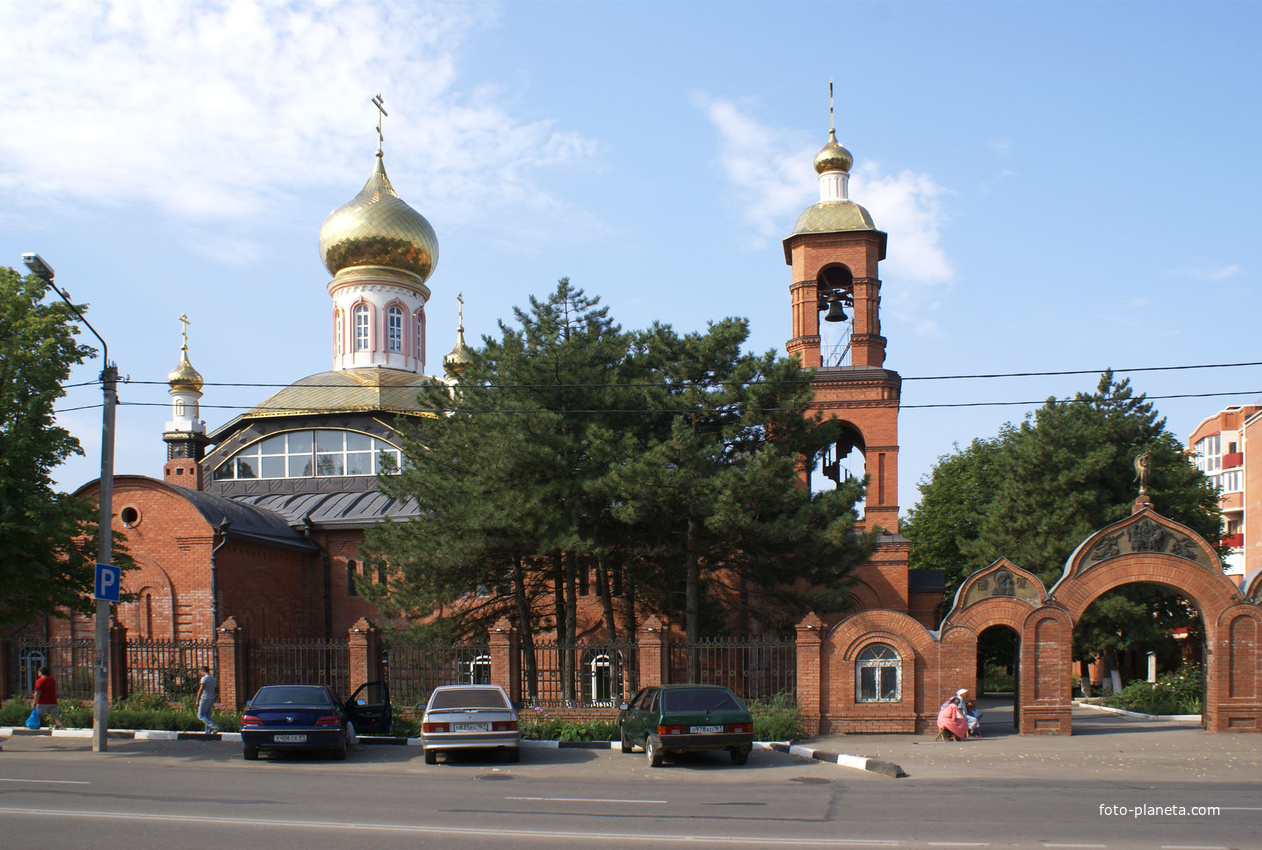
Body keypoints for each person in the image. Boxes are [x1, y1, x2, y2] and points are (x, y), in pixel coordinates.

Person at [194, 665, 219, 733]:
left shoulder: (204, 679)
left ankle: (214, 726)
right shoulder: (213, 678)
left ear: (202, 671)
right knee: (208, 715)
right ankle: (208, 731)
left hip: (205, 698)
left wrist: (197, 699)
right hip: (211, 697)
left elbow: (201, 689)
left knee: (200, 715)